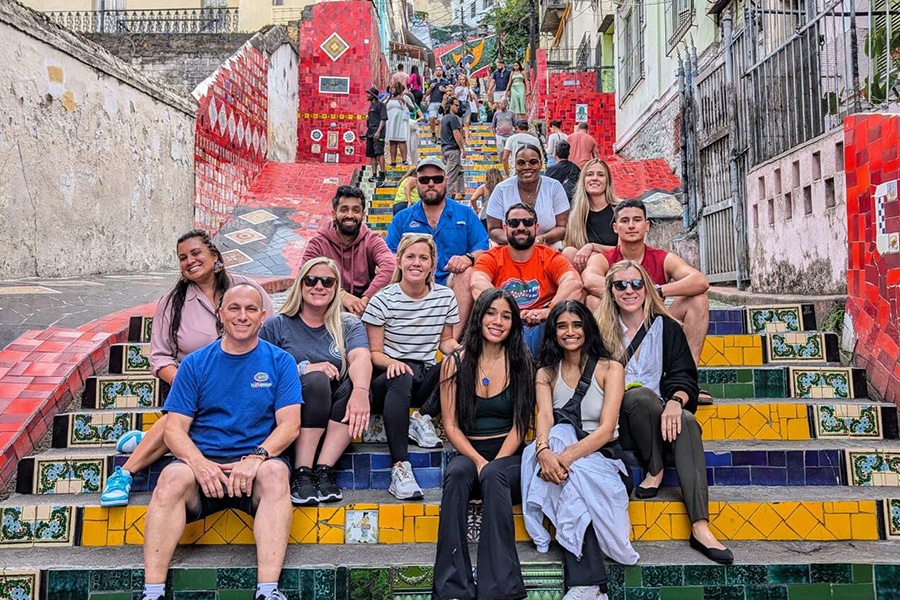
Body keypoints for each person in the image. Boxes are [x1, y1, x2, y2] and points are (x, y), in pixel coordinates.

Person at [140, 284, 301, 600]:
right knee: (171, 477)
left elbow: (290, 425)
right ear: (220, 314)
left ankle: (267, 591)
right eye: (234, 308)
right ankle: (152, 591)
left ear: (263, 316)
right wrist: (200, 464)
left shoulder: (280, 362)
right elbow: (173, 430)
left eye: (251, 309)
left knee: (275, 474)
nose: (242, 316)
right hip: (204, 468)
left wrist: (256, 458)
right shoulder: (196, 363)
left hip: (254, 470)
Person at [99, 229, 274, 507]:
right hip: (192, 385)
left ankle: (147, 439)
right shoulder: (172, 301)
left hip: (245, 381)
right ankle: (125, 473)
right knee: (176, 420)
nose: (189, 261)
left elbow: (271, 335)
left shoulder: (244, 289)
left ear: (214, 256)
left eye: (196, 253)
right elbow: (160, 358)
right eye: (182, 257)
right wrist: (189, 384)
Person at [595, 261, 733, 564]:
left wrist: (676, 401)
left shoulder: (666, 325)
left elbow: (684, 375)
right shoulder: (600, 329)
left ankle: (700, 526)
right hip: (621, 423)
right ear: (611, 291)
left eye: (636, 284)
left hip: (663, 421)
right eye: (621, 285)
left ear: (647, 288)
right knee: (639, 396)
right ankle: (655, 468)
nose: (629, 291)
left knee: (687, 420)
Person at [522, 300, 639, 600]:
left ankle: (587, 584)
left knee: (570, 477)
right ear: (553, 332)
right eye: (562, 326)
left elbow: (606, 429)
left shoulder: (610, 368)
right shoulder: (546, 372)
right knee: (559, 436)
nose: (570, 332)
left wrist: (562, 459)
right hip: (558, 464)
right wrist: (544, 452)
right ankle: (590, 587)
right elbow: (545, 417)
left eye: (576, 324)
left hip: (605, 461)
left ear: (588, 328)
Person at [433, 288, 535, 600]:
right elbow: (450, 425)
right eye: (491, 313)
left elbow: (520, 425)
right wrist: (478, 460)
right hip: (469, 450)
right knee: (457, 474)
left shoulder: (522, 363)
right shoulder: (455, 362)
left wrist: (495, 464)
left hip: (508, 457)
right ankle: (452, 587)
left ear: (513, 324)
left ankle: (500, 589)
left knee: (494, 475)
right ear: (478, 317)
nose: (497, 321)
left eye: (506, 316)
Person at [259, 258, 371, 506]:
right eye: (311, 280)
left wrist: (362, 391)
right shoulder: (277, 325)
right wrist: (304, 369)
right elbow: (261, 372)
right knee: (317, 380)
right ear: (300, 285)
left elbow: (360, 357)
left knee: (357, 385)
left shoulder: (348, 324)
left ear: (335, 288)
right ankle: (302, 471)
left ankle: (324, 469)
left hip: (335, 410)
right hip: (293, 407)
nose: (318, 286)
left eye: (327, 282)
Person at [362, 233, 461, 500]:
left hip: (424, 376)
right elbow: (374, 353)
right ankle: (400, 467)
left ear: (432, 264)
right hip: (388, 379)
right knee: (402, 373)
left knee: (461, 360)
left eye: (423, 258)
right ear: (399, 261)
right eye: (410, 257)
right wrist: (394, 363)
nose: (416, 263)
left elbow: (447, 342)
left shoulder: (445, 297)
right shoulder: (382, 300)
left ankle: (421, 417)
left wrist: (464, 354)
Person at [582, 199, 711, 369]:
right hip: (616, 326)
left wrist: (655, 290)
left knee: (698, 300)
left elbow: (700, 281)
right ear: (615, 227)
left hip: (653, 323)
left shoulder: (663, 258)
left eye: (637, 220)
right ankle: (605, 371)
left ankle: (688, 377)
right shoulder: (603, 259)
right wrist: (625, 291)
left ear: (647, 225)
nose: (631, 226)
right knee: (592, 300)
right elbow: (589, 279)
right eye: (625, 221)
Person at [386, 158, 488, 339]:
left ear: (446, 181)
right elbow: (389, 255)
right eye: (424, 180)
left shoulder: (464, 213)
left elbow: (482, 246)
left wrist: (468, 258)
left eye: (437, 179)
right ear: (416, 183)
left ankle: (451, 341)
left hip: (450, 281)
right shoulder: (403, 218)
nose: (431, 184)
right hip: (415, 280)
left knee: (468, 272)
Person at [471, 203, 583, 354]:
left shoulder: (549, 256)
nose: (521, 227)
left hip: (541, 326)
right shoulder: (492, 257)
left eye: (527, 222)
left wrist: (549, 310)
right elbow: (477, 283)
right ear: (505, 228)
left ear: (536, 228)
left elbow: (573, 283)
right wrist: (508, 312)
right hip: (503, 323)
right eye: (514, 223)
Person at [300, 186, 396, 317]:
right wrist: (342, 295)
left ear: (363, 214)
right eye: (344, 210)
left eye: (356, 210)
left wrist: (366, 298)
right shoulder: (318, 244)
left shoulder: (372, 239)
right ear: (334, 214)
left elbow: (390, 266)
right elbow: (303, 276)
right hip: (327, 308)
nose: (350, 215)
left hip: (364, 308)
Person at [486, 144, 570, 249]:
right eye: (521, 163)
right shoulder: (502, 189)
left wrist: (541, 238)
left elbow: (562, 227)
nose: (527, 167)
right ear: (515, 165)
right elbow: (493, 229)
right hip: (509, 246)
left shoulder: (554, 187)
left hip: (546, 244)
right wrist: (517, 242)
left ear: (541, 164)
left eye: (533, 162)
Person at [562, 159, 619, 271]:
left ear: (608, 181)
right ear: (583, 180)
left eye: (600, 175)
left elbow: (626, 251)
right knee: (568, 251)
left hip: (615, 267)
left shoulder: (620, 210)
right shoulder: (575, 216)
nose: (594, 178)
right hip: (584, 270)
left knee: (594, 257)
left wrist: (592, 246)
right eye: (589, 174)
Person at [439, 96, 466, 201]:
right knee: (450, 177)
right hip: (453, 150)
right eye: (456, 105)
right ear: (450, 105)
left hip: (445, 149)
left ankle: (460, 192)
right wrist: (462, 148)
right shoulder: (453, 118)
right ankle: (446, 198)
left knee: (459, 171)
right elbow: (456, 134)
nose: (457, 107)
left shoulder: (444, 118)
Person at [385, 82, 413, 167]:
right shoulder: (388, 98)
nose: (391, 89)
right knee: (392, 141)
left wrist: (404, 101)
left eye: (394, 88)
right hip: (390, 121)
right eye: (391, 88)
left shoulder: (405, 97)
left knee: (401, 140)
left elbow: (412, 108)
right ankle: (393, 160)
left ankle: (404, 159)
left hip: (401, 121)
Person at [365, 86, 388, 184]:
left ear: (373, 95)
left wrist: (378, 132)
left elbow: (383, 120)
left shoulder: (381, 105)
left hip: (378, 133)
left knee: (379, 153)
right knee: (372, 155)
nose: (367, 95)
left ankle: (382, 175)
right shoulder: (371, 107)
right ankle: (374, 175)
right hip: (370, 133)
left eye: (369, 93)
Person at [427, 66, 451, 143]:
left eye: (439, 70)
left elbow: (449, 91)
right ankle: (433, 133)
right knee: (431, 118)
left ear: (442, 72)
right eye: (436, 70)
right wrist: (430, 88)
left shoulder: (445, 81)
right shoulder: (431, 81)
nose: (438, 71)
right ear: (435, 72)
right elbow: (426, 93)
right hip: (433, 102)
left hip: (442, 103)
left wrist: (444, 90)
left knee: (441, 121)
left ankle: (440, 137)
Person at [454, 73, 474, 143]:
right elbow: (454, 97)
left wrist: (470, 95)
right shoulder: (457, 88)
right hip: (460, 104)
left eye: (463, 79)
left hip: (467, 104)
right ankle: (461, 138)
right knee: (460, 123)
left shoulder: (468, 88)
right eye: (460, 79)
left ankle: (467, 138)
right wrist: (459, 92)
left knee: (467, 122)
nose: (462, 81)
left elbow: (471, 100)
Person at [407, 95, 425, 165]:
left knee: (413, 147)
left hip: (413, 126)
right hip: (406, 127)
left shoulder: (415, 105)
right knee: (407, 146)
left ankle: (414, 162)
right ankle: (409, 162)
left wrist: (415, 121)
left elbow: (422, 117)